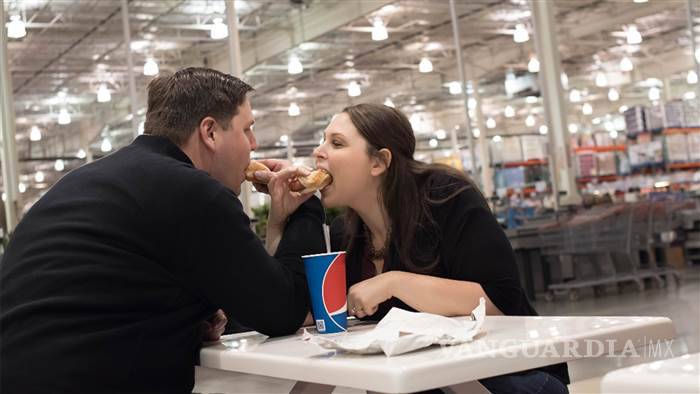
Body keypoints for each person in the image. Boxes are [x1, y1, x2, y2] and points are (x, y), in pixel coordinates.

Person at [0, 67, 325, 394]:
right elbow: (284, 311)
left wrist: (184, 315)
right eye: (247, 129)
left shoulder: (89, 181)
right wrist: (305, 201)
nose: (253, 144)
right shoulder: (194, 192)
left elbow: (99, 291)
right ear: (210, 132)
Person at [313, 103, 569, 394]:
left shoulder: (446, 198)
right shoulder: (346, 235)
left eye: (336, 143)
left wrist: (393, 282)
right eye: (322, 140)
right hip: (422, 382)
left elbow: (500, 303)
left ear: (379, 162)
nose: (318, 151)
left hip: (510, 374)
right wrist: (281, 220)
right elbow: (311, 316)